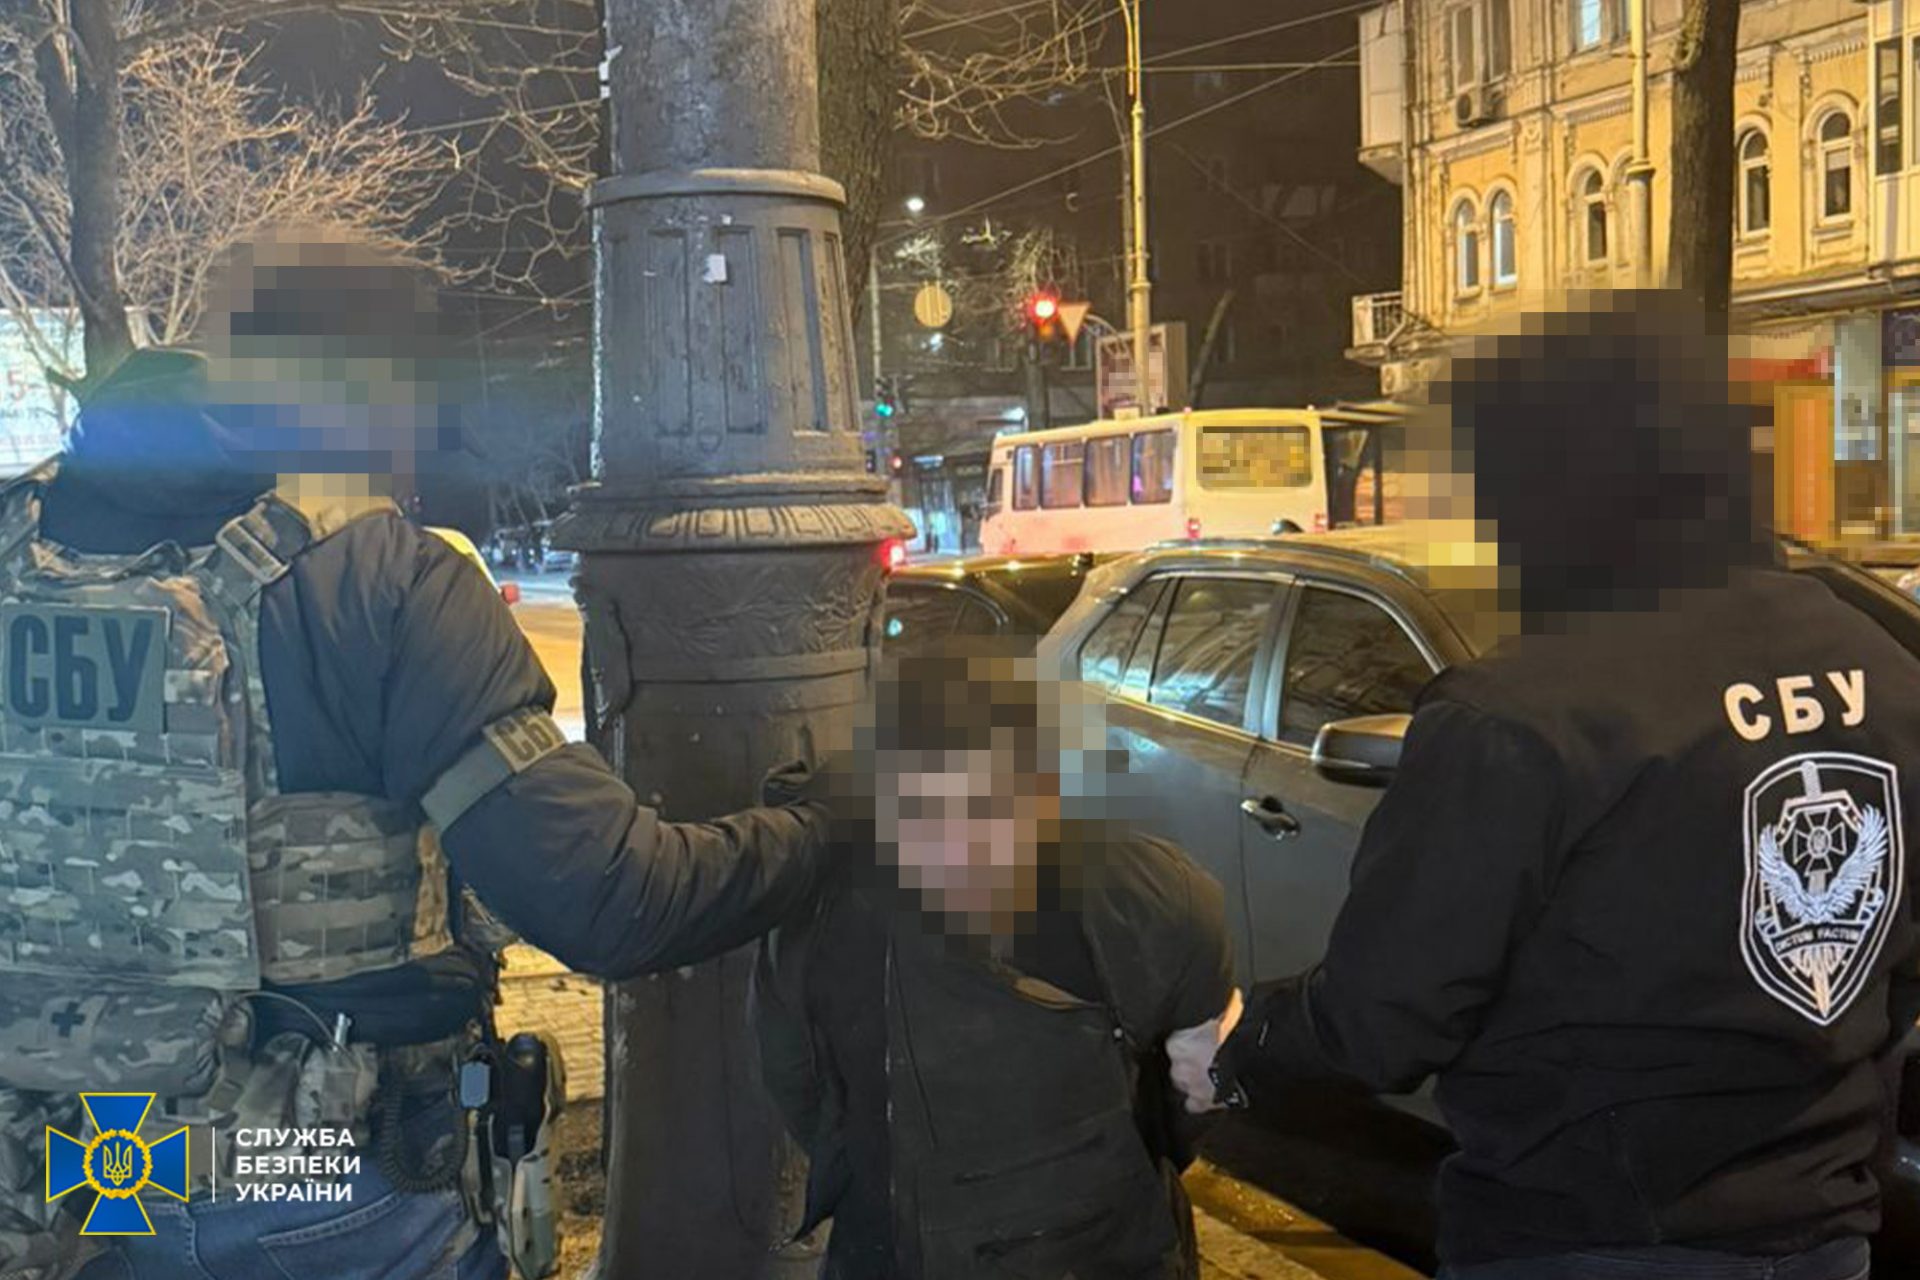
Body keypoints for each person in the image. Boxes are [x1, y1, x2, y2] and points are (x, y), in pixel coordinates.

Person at [0, 230, 830, 1280]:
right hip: (309, 1187)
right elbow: (608, 902)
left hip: (57, 1185)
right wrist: (827, 826)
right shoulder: (378, 578)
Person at [1210, 290, 1920, 1280]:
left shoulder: (1519, 712)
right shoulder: (1878, 663)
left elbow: (1385, 1015)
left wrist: (1239, 1047)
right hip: (1821, 1233)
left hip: (1589, 1233)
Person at [754, 644, 1242, 1280]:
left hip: (896, 1248)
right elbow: (1195, 1093)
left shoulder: (821, 909)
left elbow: (797, 1080)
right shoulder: (1165, 895)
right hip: (1107, 1246)